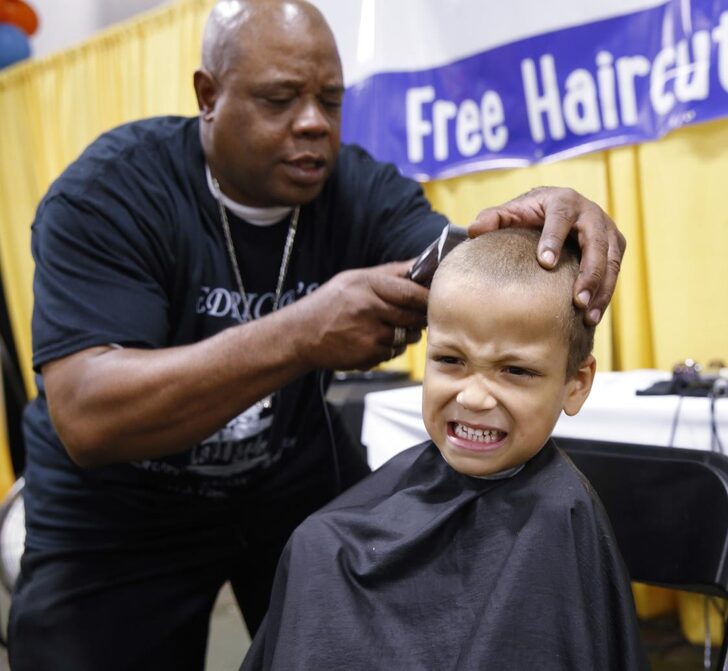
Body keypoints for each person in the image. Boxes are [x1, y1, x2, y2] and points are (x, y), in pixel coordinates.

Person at [9, 1, 627, 669]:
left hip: (281, 480)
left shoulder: (357, 188)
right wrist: (302, 333)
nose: (312, 123)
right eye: (280, 99)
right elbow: (87, 415)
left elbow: (467, 272)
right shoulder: (112, 195)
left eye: (330, 101)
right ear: (208, 96)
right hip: (118, 513)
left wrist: (542, 233)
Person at [241, 228, 648, 671]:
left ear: (577, 384)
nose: (474, 398)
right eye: (450, 361)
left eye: (515, 370)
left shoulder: (561, 521)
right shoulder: (328, 544)